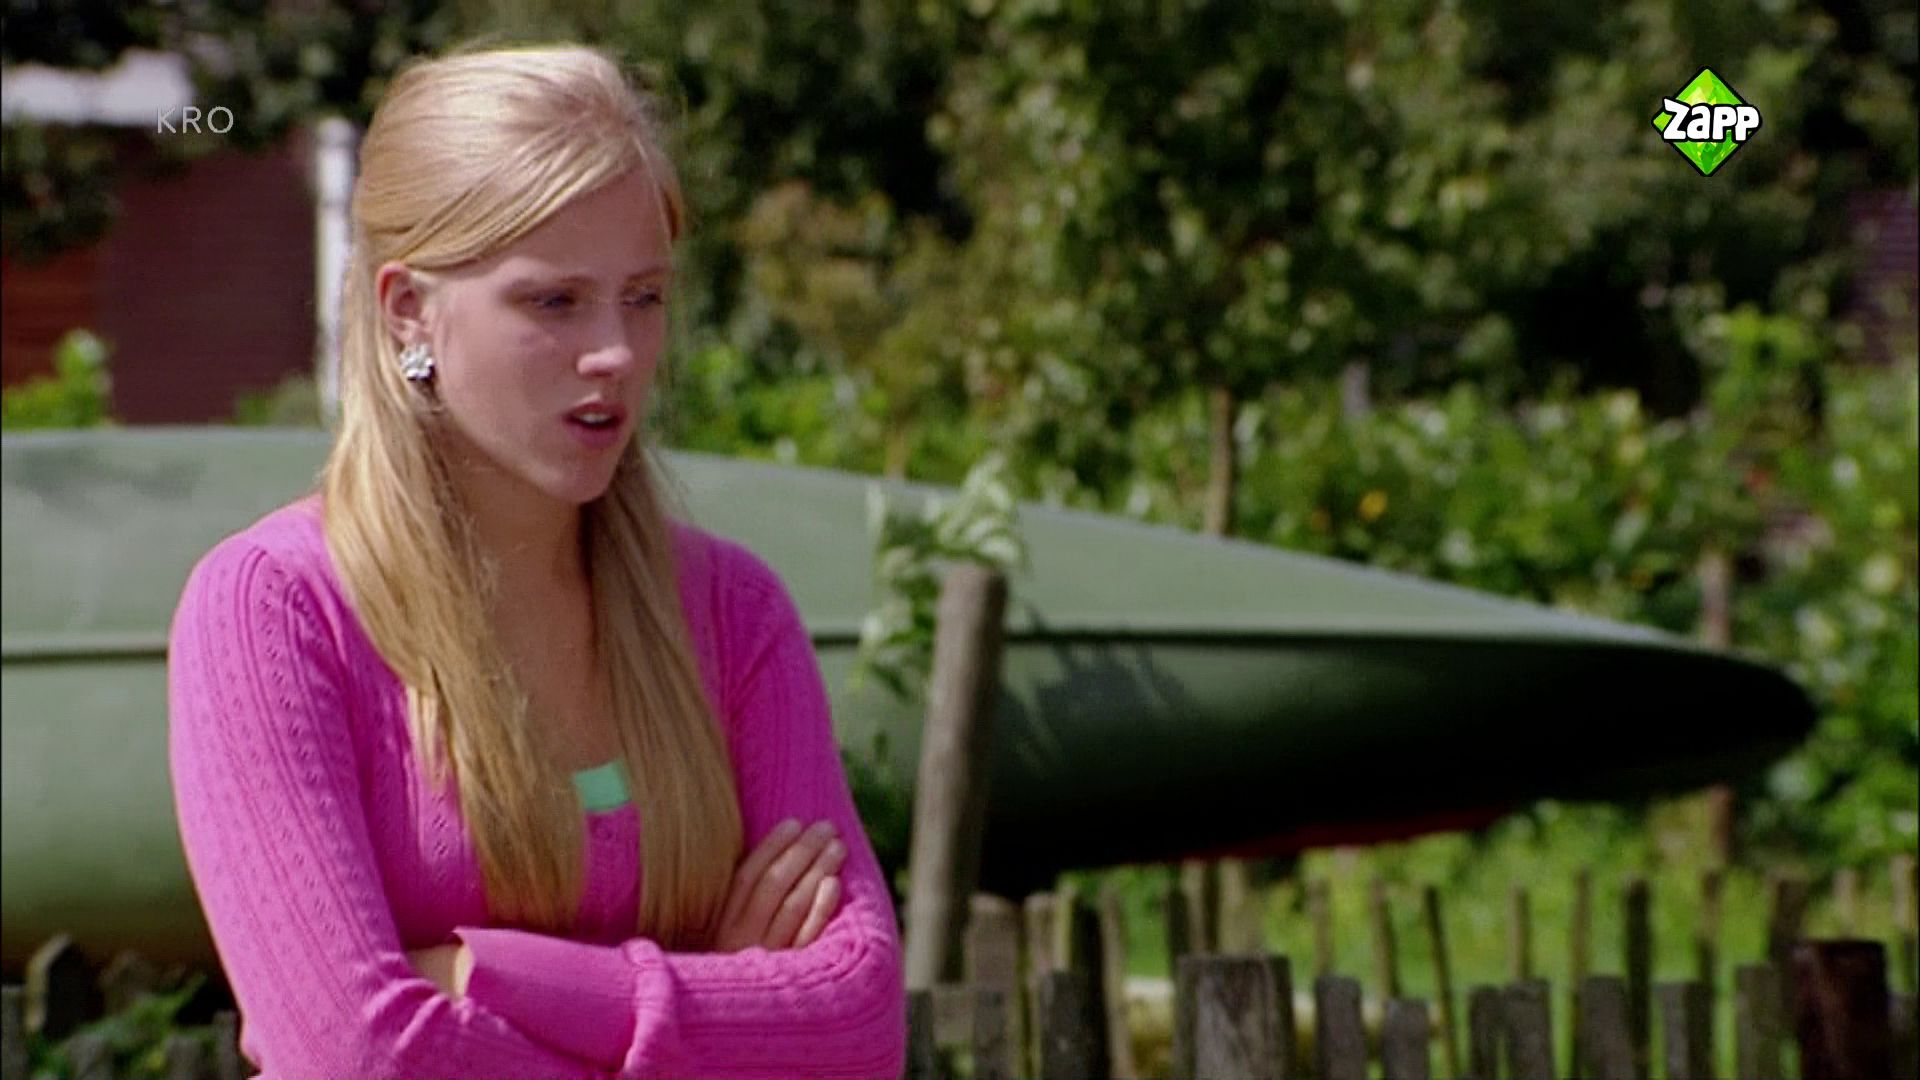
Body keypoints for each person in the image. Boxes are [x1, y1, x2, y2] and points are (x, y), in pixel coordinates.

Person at [166, 42, 905, 1079]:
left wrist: (485, 976)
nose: (616, 352)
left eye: (643, 297)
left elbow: (857, 1028)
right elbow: (360, 1055)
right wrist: (714, 997)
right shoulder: (273, 611)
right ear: (407, 310)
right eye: (554, 302)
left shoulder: (733, 612)